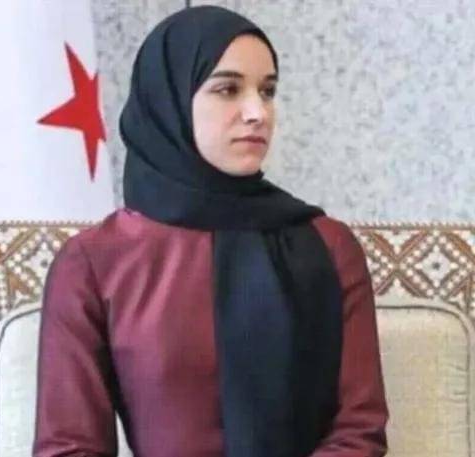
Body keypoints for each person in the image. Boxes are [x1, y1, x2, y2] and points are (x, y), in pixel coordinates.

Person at [34, 6, 388, 456]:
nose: (258, 112)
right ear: (170, 101)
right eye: (227, 89)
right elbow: (68, 446)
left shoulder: (328, 246)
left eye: (268, 90)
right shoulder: (94, 263)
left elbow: (359, 430)